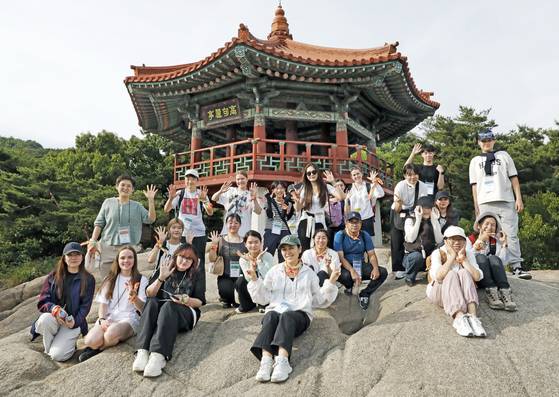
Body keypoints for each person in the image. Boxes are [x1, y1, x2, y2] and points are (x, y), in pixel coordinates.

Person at [247, 235, 340, 383]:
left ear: (299, 249)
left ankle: (283, 361)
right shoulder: (274, 271)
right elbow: (263, 299)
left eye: (291, 248)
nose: (287, 252)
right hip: (277, 313)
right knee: (270, 315)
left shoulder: (309, 274)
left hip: (299, 316)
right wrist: (254, 279)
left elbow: (318, 300)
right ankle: (266, 360)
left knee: (288, 316)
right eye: (284, 249)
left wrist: (331, 282)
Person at [132, 243, 205, 377]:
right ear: (176, 256)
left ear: (193, 262)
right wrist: (161, 278)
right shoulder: (165, 268)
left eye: (189, 259)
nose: (184, 261)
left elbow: (200, 301)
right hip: (161, 313)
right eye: (182, 257)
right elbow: (149, 293)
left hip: (185, 313)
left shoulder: (196, 274)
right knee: (152, 302)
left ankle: (158, 356)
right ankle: (142, 351)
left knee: (169, 306)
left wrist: (185, 299)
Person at [469, 128, 531, 279]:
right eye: (483, 141)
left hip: (506, 199)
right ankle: (489, 264)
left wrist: (519, 198)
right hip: (485, 202)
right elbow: (474, 186)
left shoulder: (503, 156)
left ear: (494, 140)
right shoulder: (475, 161)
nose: (486, 143)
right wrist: (476, 207)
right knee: (486, 233)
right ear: (479, 142)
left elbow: (514, 178)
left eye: (489, 140)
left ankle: (516, 266)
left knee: (511, 234)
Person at [79, 246, 148, 362]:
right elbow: (103, 305)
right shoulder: (110, 278)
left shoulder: (141, 279)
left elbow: (143, 309)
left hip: (129, 319)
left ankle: (97, 349)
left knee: (110, 335)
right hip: (110, 317)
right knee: (89, 340)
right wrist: (102, 319)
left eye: (130, 257)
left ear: (135, 260)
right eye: (123, 258)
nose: (126, 261)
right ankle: (94, 345)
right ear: (118, 260)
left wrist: (134, 298)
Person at [31, 242, 95, 362]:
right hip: (53, 318)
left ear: (82, 257)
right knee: (45, 320)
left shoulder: (89, 279)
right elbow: (43, 300)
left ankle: (60, 345)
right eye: (70, 255)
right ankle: (49, 348)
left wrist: (75, 322)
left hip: (72, 322)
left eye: (77, 254)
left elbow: (85, 307)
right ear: (64, 258)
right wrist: (53, 309)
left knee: (58, 356)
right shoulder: (54, 275)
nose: (74, 257)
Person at [88, 175, 157, 278]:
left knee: (127, 281)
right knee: (107, 280)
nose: (125, 188)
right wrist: (93, 240)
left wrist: (151, 200)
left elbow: (151, 219)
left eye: (129, 186)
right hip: (107, 247)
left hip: (128, 249)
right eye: (122, 185)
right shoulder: (108, 202)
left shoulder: (137, 206)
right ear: (117, 186)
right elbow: (99, 223)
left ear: (132, 190)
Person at [427, 226, 486, 337]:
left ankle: (473, 317)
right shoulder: (438, 253)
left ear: (465, 241)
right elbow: (438, 277)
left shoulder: (468, 253)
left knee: (464, 273)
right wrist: (452, 257)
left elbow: (478, 277)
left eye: (460, 239)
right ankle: (459, 318)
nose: (457, 242)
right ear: (445, 241)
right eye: (453, 239)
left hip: (460, 294)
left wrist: (464, 261)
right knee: (451, 274)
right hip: (440, 292)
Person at [164, 169, 213, 286]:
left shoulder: (201, 194)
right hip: (182, 234)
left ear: (197, 180)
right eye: (187, 178)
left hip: (198, 234)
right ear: (185, 180)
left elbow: (210, 212)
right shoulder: (180, 194)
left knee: (199, 262)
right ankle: (180, 287)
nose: (190, 181)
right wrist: (171, 198)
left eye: (192, 178)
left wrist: (204, 200)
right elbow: (166, 209)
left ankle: (199, 292)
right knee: (180, 261)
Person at [334, 211, 388, 310]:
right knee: (345, 276)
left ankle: (365, 293)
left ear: (361, 223)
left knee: (382, 272)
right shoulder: (340, 235)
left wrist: (375, 268)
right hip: (345, 265)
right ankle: (349, 288)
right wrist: (352, 271)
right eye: (352, 222)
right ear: (346, 223)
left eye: (357, 222)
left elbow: (371, 254)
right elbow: (340, 257)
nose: (354, 225)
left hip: (360, 264)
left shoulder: (364, 235)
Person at [469, 212, 517, 311]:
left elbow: (502, 262)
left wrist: (504, 244)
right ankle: (491, 293)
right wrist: (479, 242)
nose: (490, 227)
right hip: (480, 278)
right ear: (479, 226)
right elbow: (468, 259)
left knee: (494, 258)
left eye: (493, 225)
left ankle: (505, 292)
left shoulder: (495, 242)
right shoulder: (470, 240)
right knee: (480, 257)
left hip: (496, 278)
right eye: (486, 224)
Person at [292, 163, 345, 252]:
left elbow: (341, 197)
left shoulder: (325, 186)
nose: (311, 175)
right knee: (305, 248)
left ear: (318, 173)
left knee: (320, 248)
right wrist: (297, 200)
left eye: (313, 172)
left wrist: (333, 182)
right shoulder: (304, 188)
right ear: (306, 176)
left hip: (320, 220)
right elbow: (298, 208)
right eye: (308, 173)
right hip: (306, 220)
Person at [390, 164, 430, 278]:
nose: (412, 177)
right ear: (405, 175)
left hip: (414, 212)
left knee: (414, 239)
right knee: (397, 240)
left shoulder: (422, 186)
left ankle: (416, 267)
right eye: (409, 175)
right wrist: (399, 203)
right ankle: (398, 268)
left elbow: (422, 203)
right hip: (399, 212)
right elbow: (397, 207)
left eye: (415, 174)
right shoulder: (400, 186)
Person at [402, 196, 444, 286]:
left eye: (429, 208)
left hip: (428, 256)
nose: (427, 211)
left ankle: (431, 273)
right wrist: (418, 219)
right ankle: (410, 276)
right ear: (418, 208)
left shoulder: (434, 220)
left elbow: (439, 240)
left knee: (442, 247)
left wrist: (434, 221)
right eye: (424, 208)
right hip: (412, 256)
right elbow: (410, 238)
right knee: (417, 257)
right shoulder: (410, 219)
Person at [208, 214, 246, 308]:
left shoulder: (245, 241)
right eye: (230, 222)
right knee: (227, 294)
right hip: (225, 276)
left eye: (236, 223)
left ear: (240, 225)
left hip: (240, 276)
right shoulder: (220, 239)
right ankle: (226, 298)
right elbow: (212, 259)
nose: (233, 225)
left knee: (242, 296)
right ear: (226, 224)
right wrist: (214, 244)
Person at [211, 170, 262, 238]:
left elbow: (258, 211)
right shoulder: (230, 191)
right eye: (238, 179)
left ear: (247, 179)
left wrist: (254, 199)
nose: (240, 181)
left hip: (243, 232)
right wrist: (220, 191)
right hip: (227, 231)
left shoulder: (251, 194)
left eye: (242, 179)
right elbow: (213, 198)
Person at [236, 230, 275, 313]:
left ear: (261, 243)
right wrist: (251, 263)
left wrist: (259, 261)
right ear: (245, 244)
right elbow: (248, 279)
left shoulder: (268, 256)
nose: (253, 245)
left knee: (265, 279)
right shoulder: (243, 259)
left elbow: (268, 276)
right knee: (240, 281)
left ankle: (264, 304)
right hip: (252, 284)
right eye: (250, 242)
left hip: (266, 287)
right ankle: (247, 305)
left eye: (256, 242)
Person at [345, 167, 385, 239]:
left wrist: (374, 182)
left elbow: (381, 194)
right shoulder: (349, 188)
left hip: (367, 217)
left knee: (367, 240)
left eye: (358, 174)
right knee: (354, 240)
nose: (356, 176)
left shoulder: (368, 186)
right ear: (351, 177)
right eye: (354, 175)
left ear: (362, 174)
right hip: (354, 219)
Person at [262, 181, 294, 262]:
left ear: (285, 190)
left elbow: (287, 217)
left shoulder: (288, 202)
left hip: (284, 231)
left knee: (285, 256)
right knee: (267, 255)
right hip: (271, 230)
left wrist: (286, 209)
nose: (279, 190)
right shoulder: (268, 201)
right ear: (273, 190)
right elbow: (269, 215)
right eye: (277, 188)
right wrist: (269, 200)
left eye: (282, 188)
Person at [327, 179, 347, 247]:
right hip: (329, 226)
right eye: (337, 185)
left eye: (341, 185)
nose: (339, 187)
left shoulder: (347, 198)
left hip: (342, 226)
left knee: (339, 246)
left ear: (344, 186)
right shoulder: (328, 199)